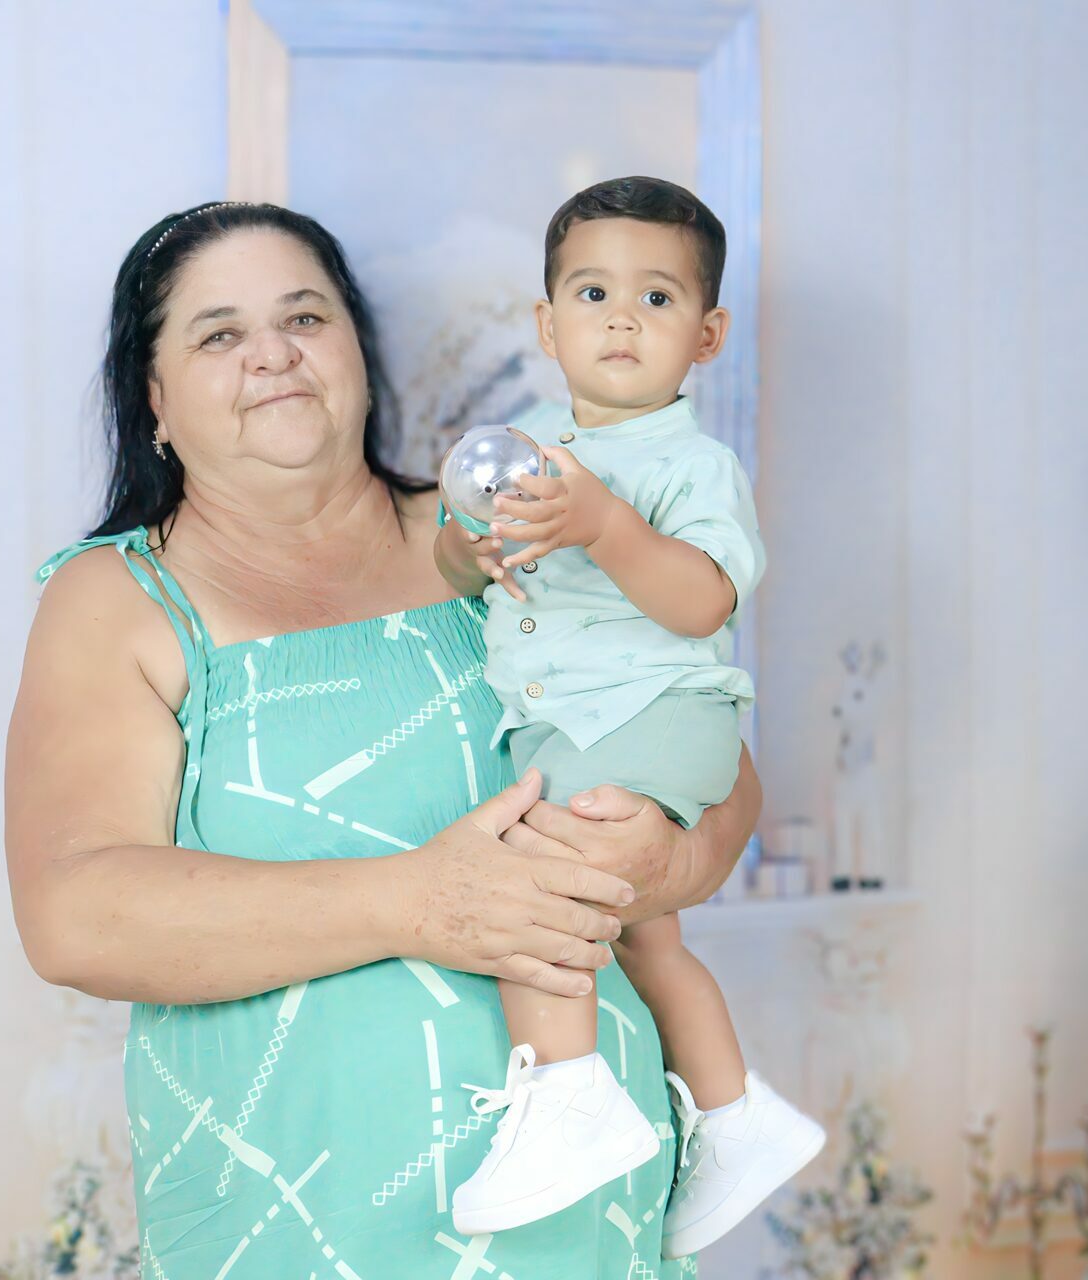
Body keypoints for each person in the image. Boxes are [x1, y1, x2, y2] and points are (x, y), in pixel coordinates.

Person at [4, 200, 761, 1277]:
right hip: (302, 1230)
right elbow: (74, 916)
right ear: (155, 398)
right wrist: (419, 901)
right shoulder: (116, 599)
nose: (272, 354)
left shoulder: (503, 533)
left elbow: (708, 749)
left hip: (590, 1226)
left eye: (304, 317)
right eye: (219, 334)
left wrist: (671, 861)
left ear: (357, 350)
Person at [435, 176, 823, 1257]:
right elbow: (457, 570)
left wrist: (606, 525)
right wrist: (465, 545)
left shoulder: (693, 465)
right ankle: (738, 1116)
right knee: (648, 934)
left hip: (650, 712)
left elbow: (704, 602)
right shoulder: (528, 450)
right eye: (593, 293)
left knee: (528, 892)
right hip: (584, 722)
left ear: (707, 336)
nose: (620, 319)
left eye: (656, 298)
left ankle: (568, 1096)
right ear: (546, 322)